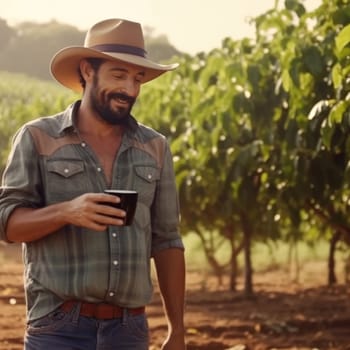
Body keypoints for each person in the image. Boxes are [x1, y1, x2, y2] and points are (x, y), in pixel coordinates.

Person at [0, 18, 186, 350]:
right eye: (119, 75)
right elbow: (7, 225)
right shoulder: (37, 138)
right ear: (87, 70)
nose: (130, 89)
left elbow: (167, 240)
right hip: (58, 327)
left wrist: (178, 329)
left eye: (137, 79)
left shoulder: (155, 147)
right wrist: (67, 212)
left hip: (129, 330)